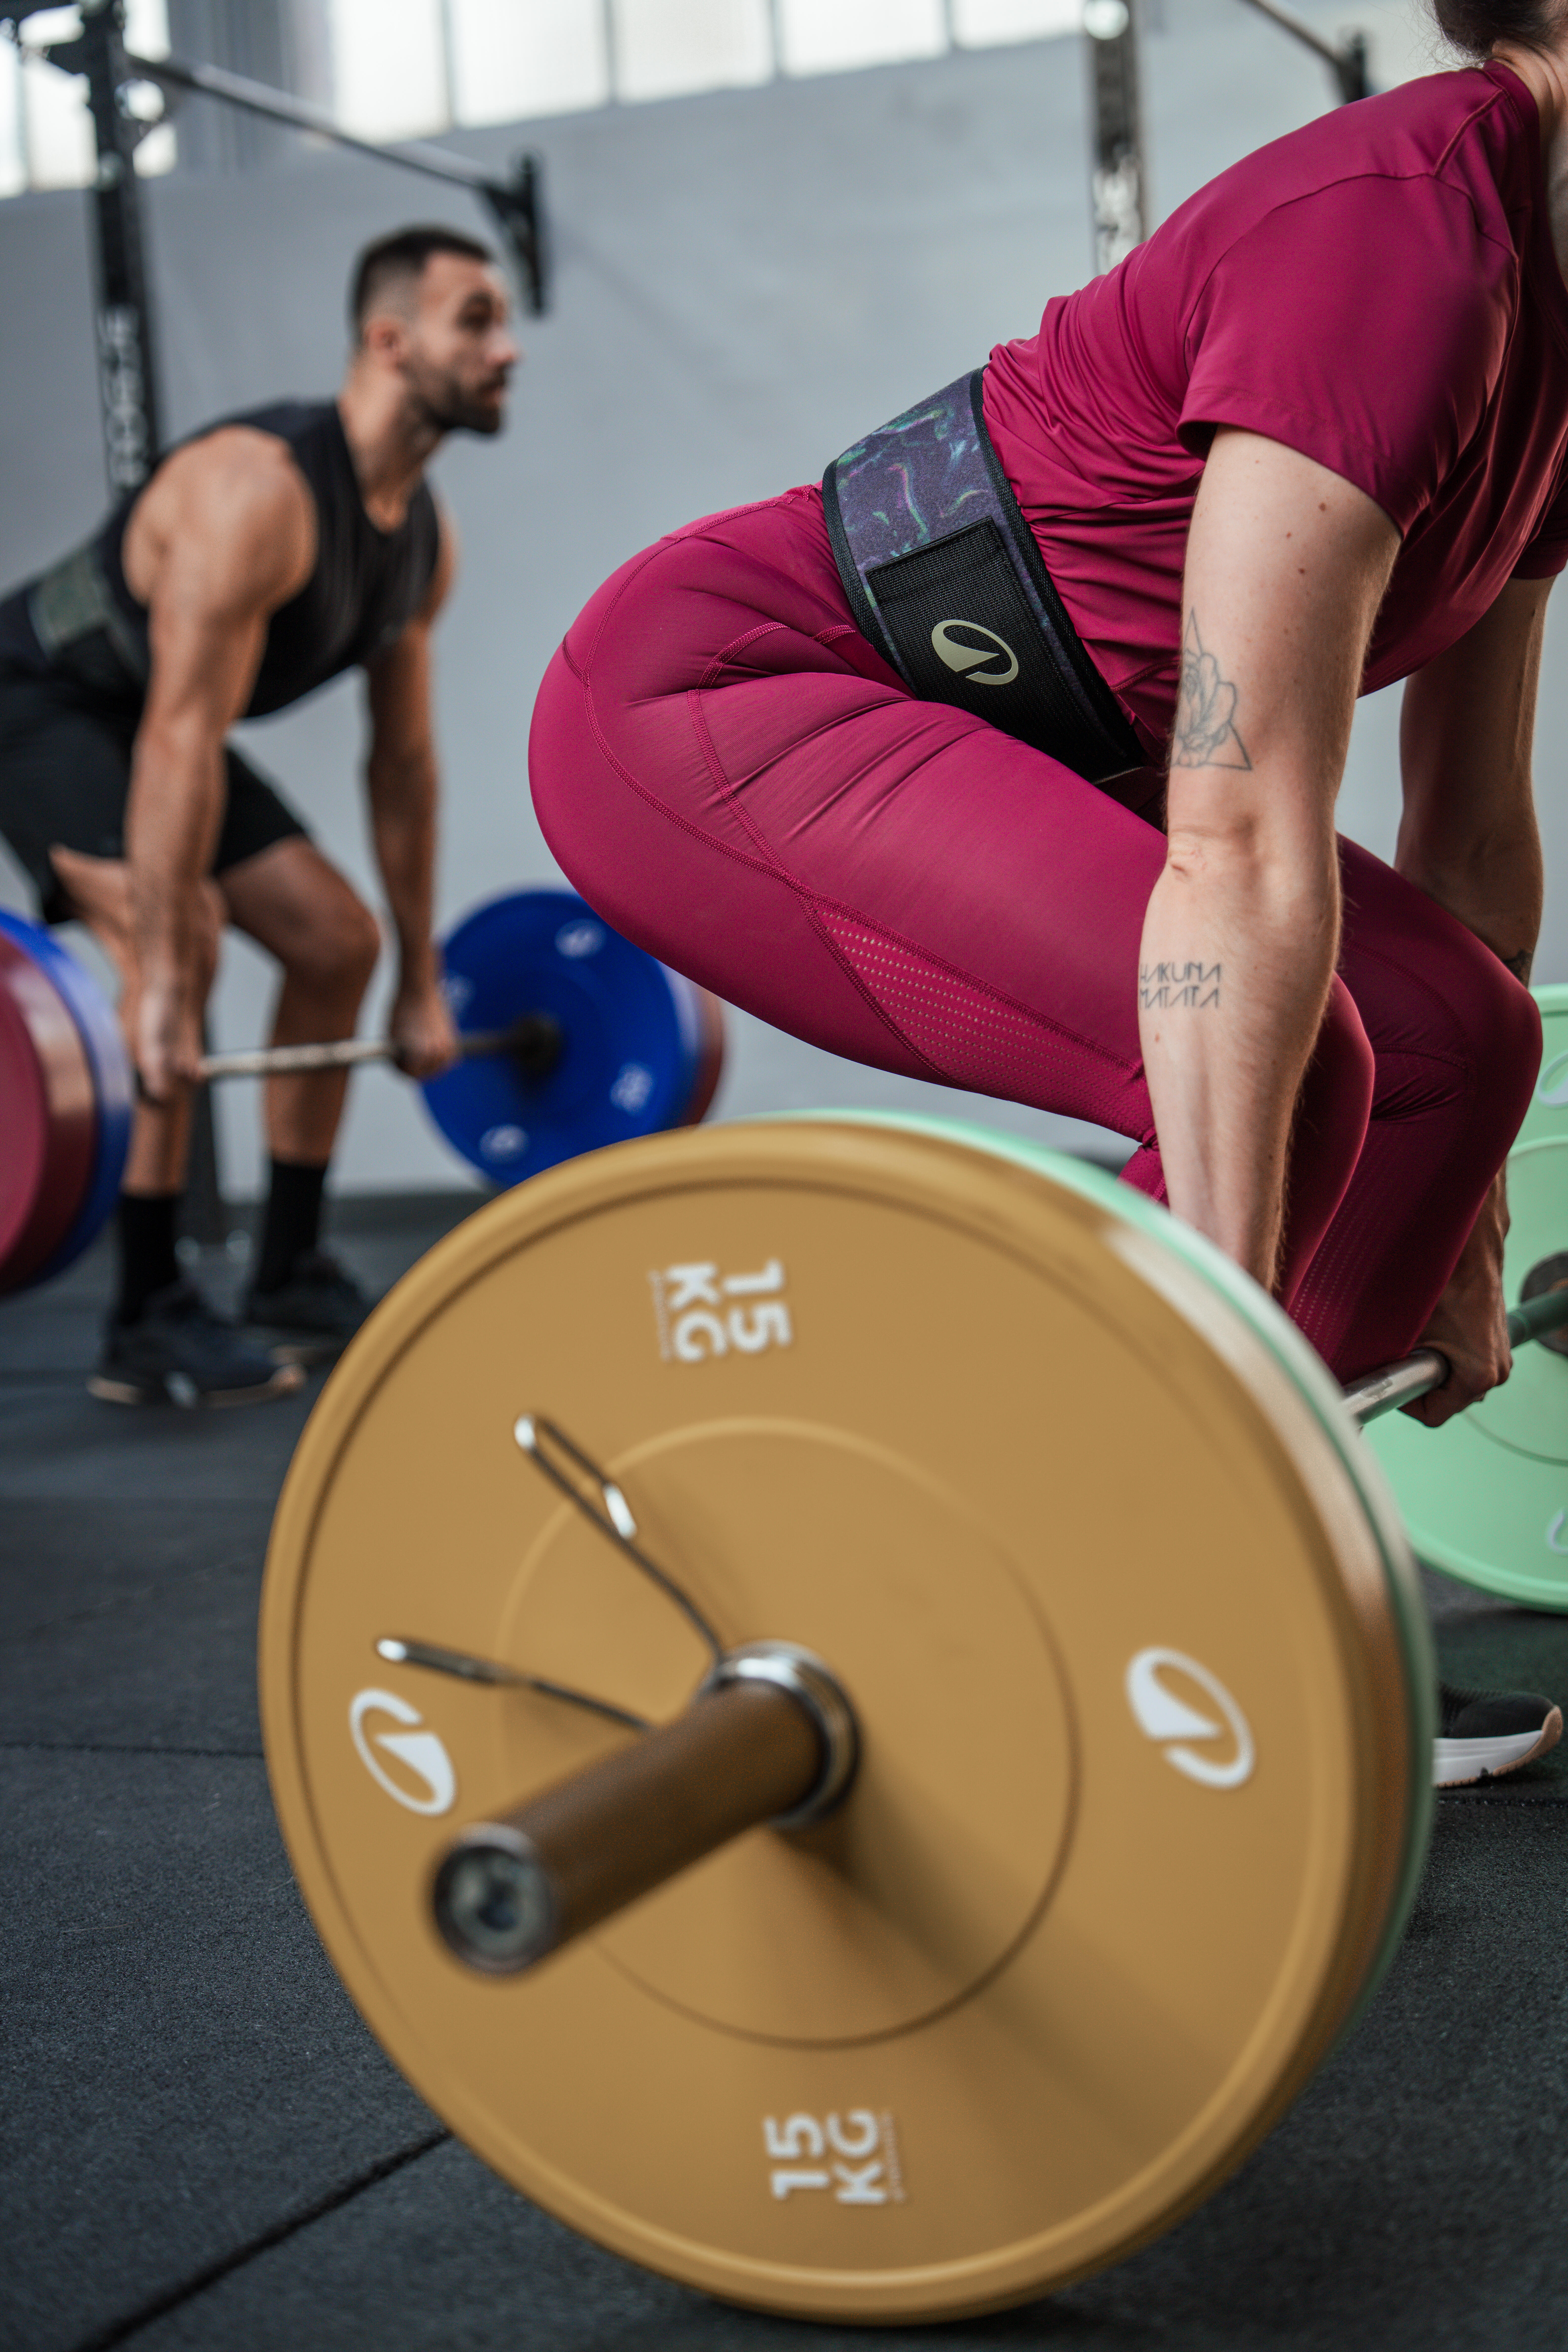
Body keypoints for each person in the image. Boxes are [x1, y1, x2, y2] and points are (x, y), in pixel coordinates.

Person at [529, 28, 1564, 1784]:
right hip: (724, 698)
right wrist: (1221, 1361)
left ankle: (1234, 1631)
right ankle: (990, 1642)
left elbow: (1466, 826)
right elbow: (1239, 840)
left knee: (1458, 1040)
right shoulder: (1399, 239)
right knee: (1287, 1048)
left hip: (1047, 744)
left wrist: (1461, 1200)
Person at [0, 224, 518, 1404]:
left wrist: (421, 975)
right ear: (391, 342)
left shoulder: (419, 546)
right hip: (39, 706)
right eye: (477, 320)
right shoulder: (257, 492)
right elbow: (180, 735)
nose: (509, 349)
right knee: (165, 940)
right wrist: (169, 982)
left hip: (153, 729)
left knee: (340, 943)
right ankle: (146, 1311)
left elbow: (404, 767)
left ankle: (286, 1268)